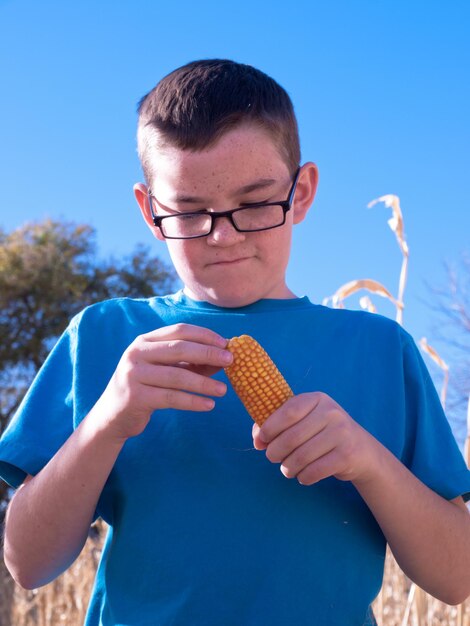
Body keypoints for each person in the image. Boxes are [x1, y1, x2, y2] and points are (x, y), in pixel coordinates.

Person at [1, 59, 470, 626]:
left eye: (253, 204)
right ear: (151, 211)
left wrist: (369, 461)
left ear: (301, 194)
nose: (223, 235)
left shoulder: (381, 350)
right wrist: (106, 420)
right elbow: (27, 564)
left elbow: (456, 578)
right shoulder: (102, 337)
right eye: (190, 211)